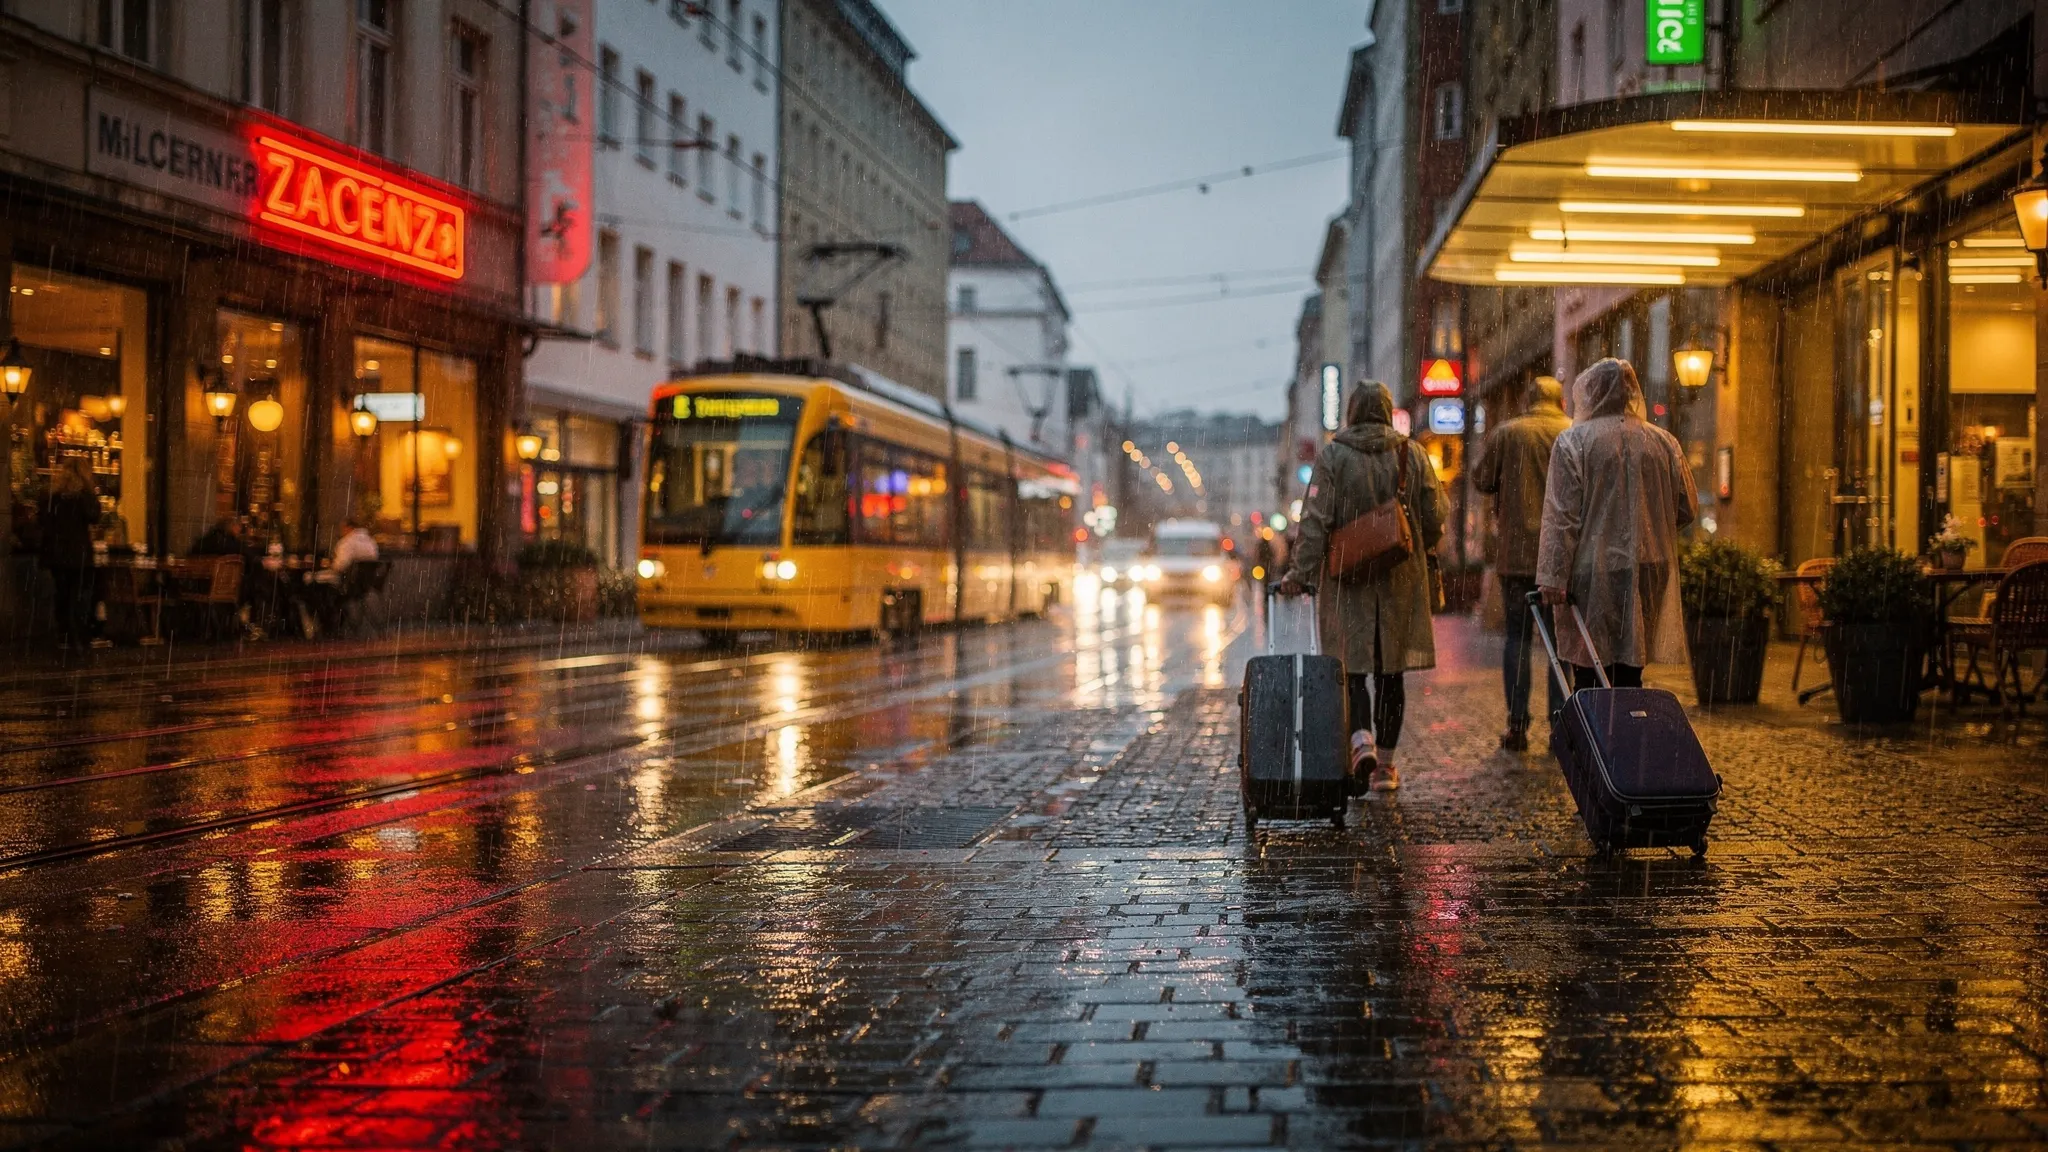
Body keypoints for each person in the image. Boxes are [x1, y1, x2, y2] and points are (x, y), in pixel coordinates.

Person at [1280, 381, 1448, 793]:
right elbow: (1436, 516)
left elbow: (1315, 521)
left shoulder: (1334, 457)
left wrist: (1298, 573)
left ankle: (1360, 740)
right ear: (1389, 412)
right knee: (1391, 673)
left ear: (1352, 413)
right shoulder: (1414, 454)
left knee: (1351, 669)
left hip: (1347, 578)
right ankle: (1386, 768)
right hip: (1400, 578)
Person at [1536, 358, 1697, 689]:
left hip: (1593, 569)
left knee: (1590, 664)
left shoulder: (1575, 442)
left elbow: (1562, 515)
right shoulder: (1664, 442)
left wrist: (1553, 576)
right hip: (1649, 565)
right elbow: (1686, 506)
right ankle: (1627, 728)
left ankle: (1597, 734)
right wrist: (1648, 529)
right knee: (1631, 661)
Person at [1472, 375, 1572, 750]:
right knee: (1559, 644)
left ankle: (1517, 725)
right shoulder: (1570, 431)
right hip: (1560, 556)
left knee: (1518, 637)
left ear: (1528, 399)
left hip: (1516, 556)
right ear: (1560, 400)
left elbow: (1481, 478)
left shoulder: (1508, 433)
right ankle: (1560, 725)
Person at [41, 459, 100, 651]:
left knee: (63, 594)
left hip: (58, 556)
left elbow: (44, 522)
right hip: (78, 555)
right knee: (79, 596)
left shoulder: (54, 497)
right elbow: (94, 515)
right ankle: (78, 636)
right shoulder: (83, 497)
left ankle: (64, 634)